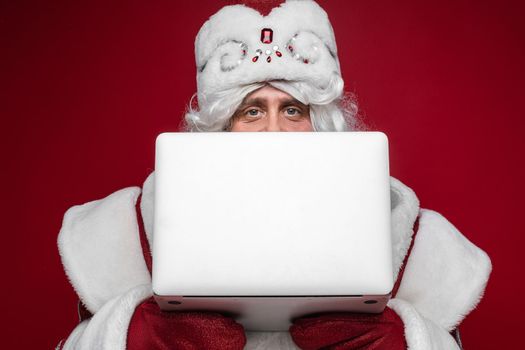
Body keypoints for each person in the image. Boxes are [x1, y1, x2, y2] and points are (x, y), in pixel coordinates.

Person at [56, 1, 491, 349]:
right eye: (251, 111)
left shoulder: (405, 233)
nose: (273, 128)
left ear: (321, 120)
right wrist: (129, 337)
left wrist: (406, 341)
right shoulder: (134, 229)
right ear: (222, 124)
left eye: (292, 110)